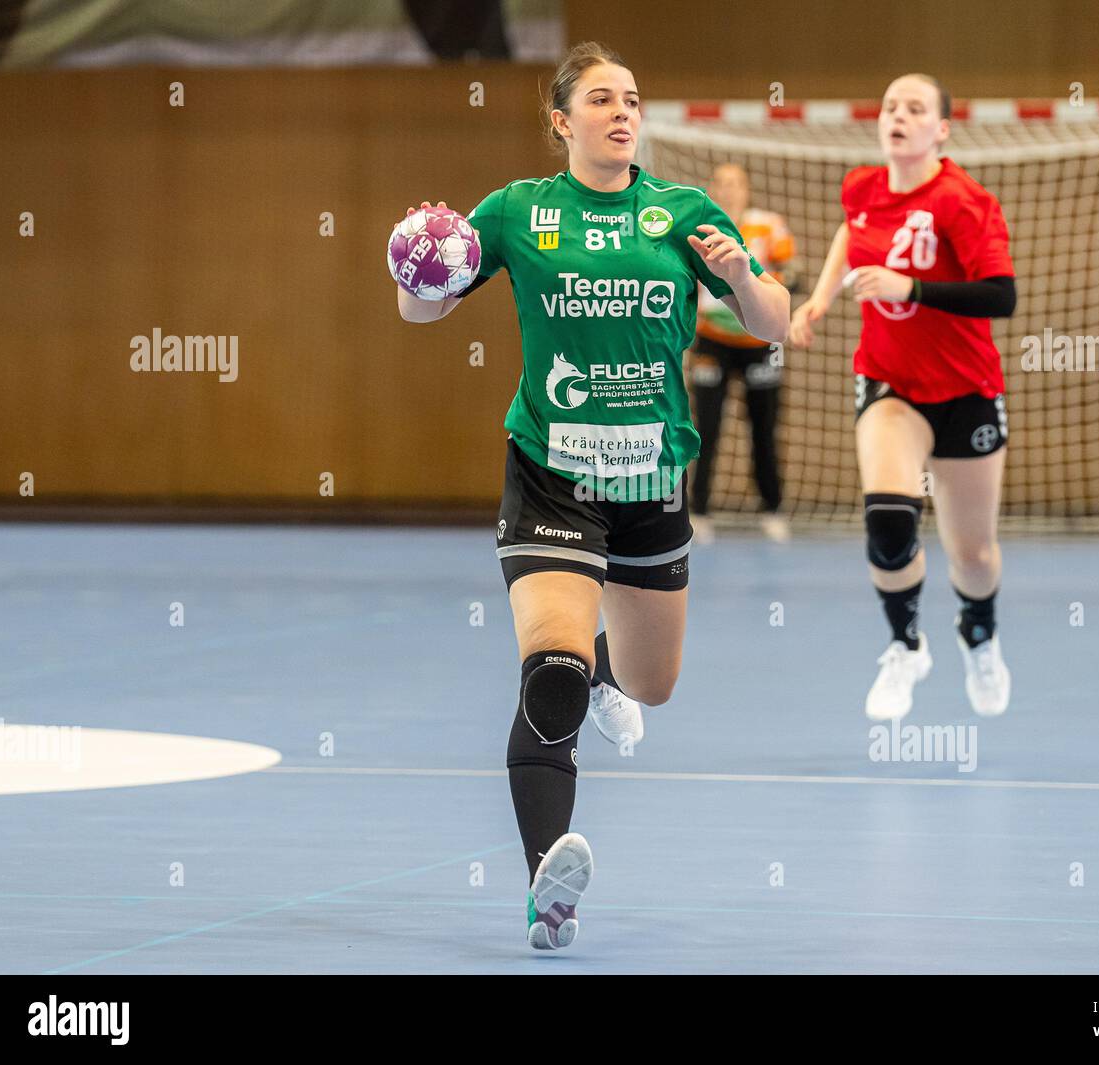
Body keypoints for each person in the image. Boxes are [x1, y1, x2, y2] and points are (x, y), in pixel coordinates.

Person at [395, 41, 788, 950]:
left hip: (652, 480)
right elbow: (426, 309)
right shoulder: (520, 213)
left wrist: (737, 275)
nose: (623, 112)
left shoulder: (680, 213)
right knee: (553, 668)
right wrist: (419, 268)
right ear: (563, 121)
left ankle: (612, 667)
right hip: (551, 475)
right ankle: (547, 885)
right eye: (603, 99)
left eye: (633, 99)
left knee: (652, 682)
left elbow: (771, 328)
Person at [790, 73, 1016, 722]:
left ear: (940, 129)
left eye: (916, 108)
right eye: (891, 105)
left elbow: (1002, 296)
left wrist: (910, 287)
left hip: (966, 390)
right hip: (889, 382)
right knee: (889, 523)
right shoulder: (862, 187)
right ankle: (905, 643)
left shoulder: (964, 201)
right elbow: (849, 233)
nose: (899, 115)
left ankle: (978, 630)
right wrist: (820, 298)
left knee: (972, 554)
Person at [689, 163, 797, 543]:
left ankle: (773, 509)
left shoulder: (768, 226)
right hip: (712, 341)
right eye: (720, 182)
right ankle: (699, 511)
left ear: (747, 188)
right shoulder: (699, 226)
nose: (729, 190)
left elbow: (792, 275)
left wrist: (763, 294)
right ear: (712, 188)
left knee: (764, 429)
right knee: (708, 427)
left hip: (760, 345)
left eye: (735, 183)